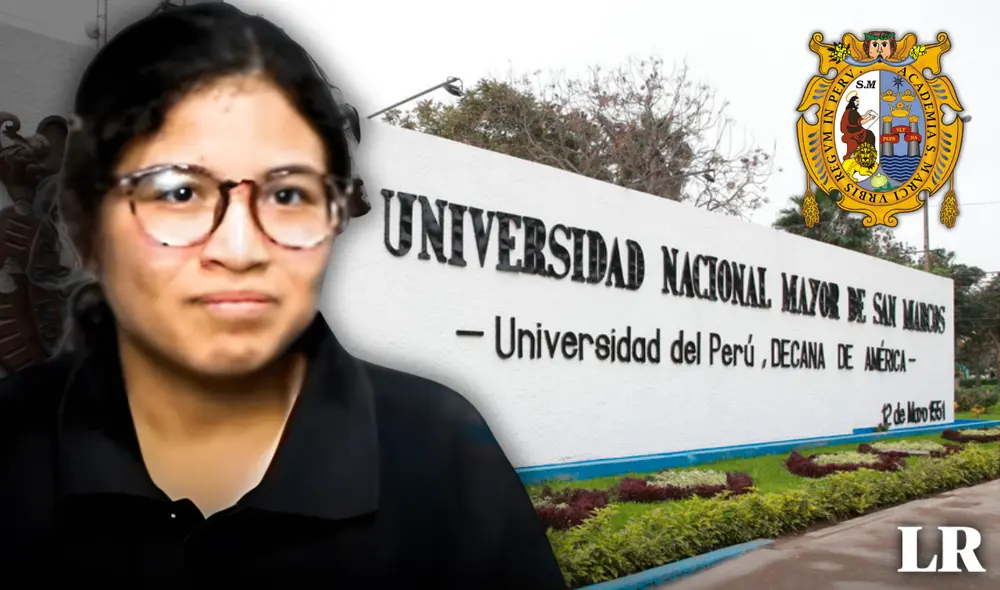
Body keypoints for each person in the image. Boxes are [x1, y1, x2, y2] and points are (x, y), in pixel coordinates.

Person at [0, 4, 566, 587]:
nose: (240, 247)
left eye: (288, 194)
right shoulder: (13, 445)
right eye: (179, 191)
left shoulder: (440, 451)